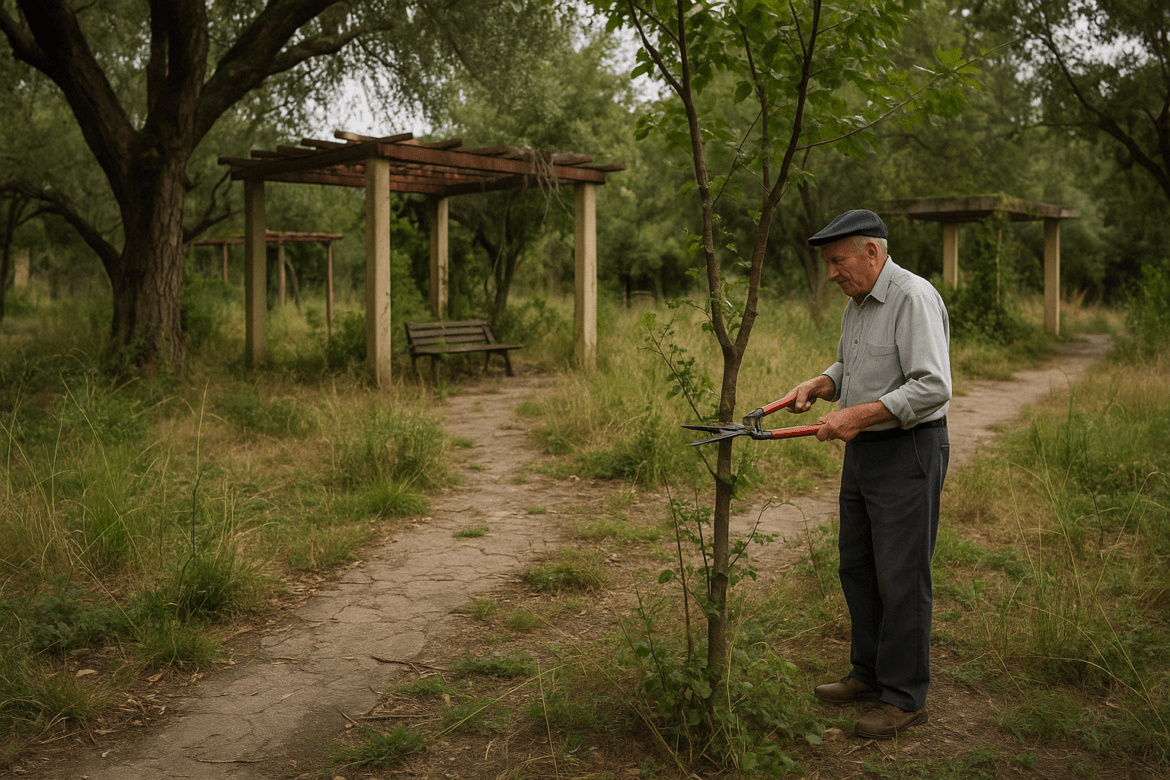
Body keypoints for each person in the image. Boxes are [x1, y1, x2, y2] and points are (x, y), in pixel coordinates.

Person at [781, 209, 951, 739]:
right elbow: (850, 366)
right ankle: (869, 674)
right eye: (828, 263)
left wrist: (855, 415)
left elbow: (932, 387)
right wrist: (820, 385)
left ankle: (903, 698)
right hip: (865, 454)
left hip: (908, 451)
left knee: (901, 577)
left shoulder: (912, 297)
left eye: (837, 261)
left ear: (872, 253)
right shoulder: (858, 303)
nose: (831, 273)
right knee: (857, 567)